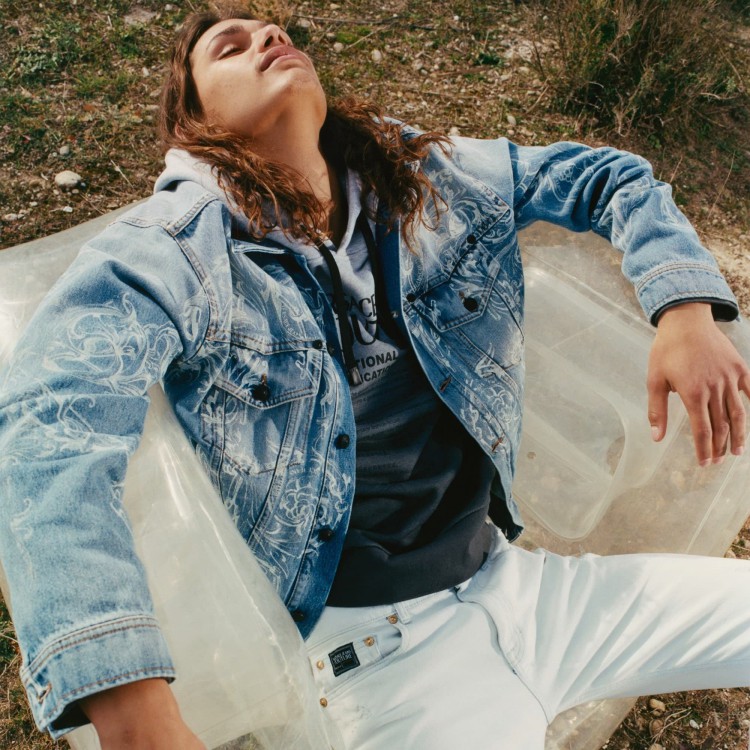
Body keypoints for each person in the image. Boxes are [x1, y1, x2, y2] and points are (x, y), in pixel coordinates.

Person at [1, 7, 749, 749]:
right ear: (195, 124)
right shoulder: (174, 250)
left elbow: (605, 176)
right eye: (230, 47)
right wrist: (133, 710)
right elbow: (48, 423)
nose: (268, 38)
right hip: (378, 663)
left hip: (524, 588)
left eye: (274, 31)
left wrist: (683, 309)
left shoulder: (417, 174)